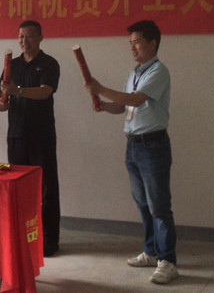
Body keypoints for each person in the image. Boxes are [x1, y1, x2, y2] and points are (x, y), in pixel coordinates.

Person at [84, 20, 178, 285]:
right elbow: (126, 106)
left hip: (153, 146)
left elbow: (136, 99)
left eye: (137, 42)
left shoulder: (158, 71)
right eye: (130, 43)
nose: (132, 47)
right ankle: (151, 251)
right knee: (143, 203)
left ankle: (168, 260)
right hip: (133, 144)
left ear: (152, 43)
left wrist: (100, 88)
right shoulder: (133, 73)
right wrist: (104, 105)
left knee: (159, 205)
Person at [0, 20, 61, 257]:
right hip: (16, 134)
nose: (25, 41)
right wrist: (1, 102)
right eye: (21, 36)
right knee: (18, 187)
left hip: (41, 135)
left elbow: (45, 92)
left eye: (30, 36)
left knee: (46, 188)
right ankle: (21, 236)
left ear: (40, 38)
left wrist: (18, 91)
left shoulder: (49, 63)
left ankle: (49, 240)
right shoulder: (11, 65)